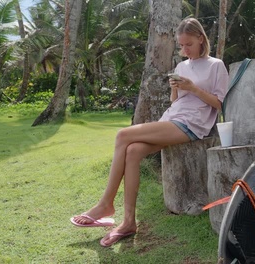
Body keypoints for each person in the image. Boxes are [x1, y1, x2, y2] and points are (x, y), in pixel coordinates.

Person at [70, 17, 229, 247]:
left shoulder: (216, 65)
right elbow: (176, 101)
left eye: (189, 45)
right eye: (181, 45)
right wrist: (175, 89)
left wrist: (193, 88)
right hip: (172, 118)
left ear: (201, 39)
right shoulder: (182, 66)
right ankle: (128, 222)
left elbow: (219, 104)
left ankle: (105, 203)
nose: (184, 50)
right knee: (133, 151)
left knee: (122, 135)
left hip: (193, 124)